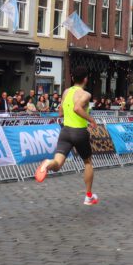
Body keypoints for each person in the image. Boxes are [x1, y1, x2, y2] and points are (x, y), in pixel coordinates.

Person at [34, 66, 98, 205]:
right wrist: (91, 120)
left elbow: (61, 112)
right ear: (85, 79)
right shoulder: (85, 94)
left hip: (65, 131)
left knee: (57, 164)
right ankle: (88, 196)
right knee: (87, 162)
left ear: (73, 78)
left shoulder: (66, 92)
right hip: (79, 132)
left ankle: (47, 163)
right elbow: (77, 108)